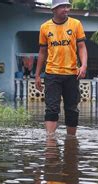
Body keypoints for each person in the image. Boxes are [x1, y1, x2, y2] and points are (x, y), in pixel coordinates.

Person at [35, 0, 88, 137]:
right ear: (54, 9)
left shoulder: (76, 24)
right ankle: (50, 141)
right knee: (52, 108)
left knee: (72, 109)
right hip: (52, 73)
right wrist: (37, 75)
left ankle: (71, 140)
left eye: (67, 6)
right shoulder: (45, 27)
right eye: (62, 7)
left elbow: (81, 47)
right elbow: (42, 52)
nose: (66, 9)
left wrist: (83, 65)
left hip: (72, 73)